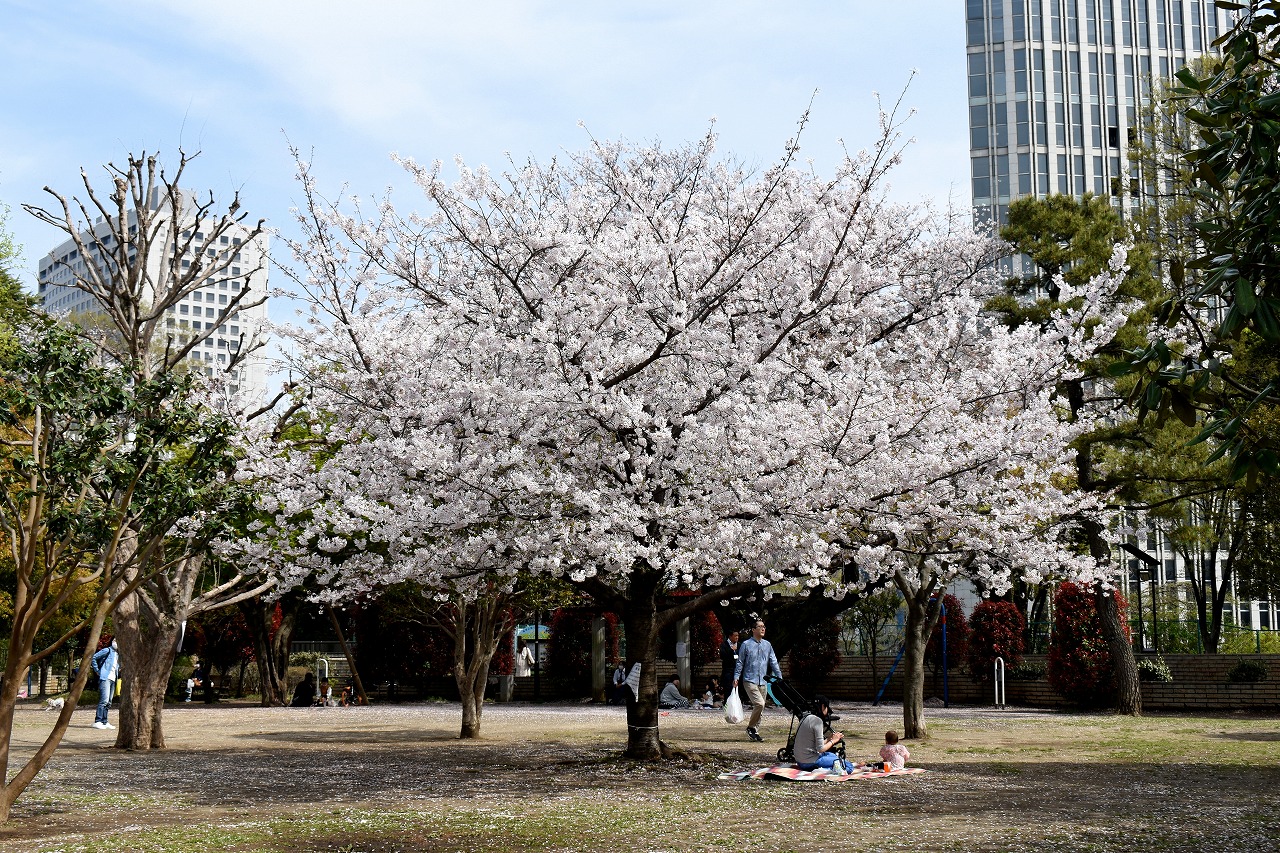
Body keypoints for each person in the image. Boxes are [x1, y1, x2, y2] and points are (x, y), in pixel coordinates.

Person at [733, 619, 781, 742]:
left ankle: (755, 731)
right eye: (760, 626)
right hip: (749, 680)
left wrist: (779, 677)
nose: (763, 628)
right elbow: (740, 662)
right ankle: (750, 727)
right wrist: (736, 677)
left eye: (764, 626)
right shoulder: (746, 644)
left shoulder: (767, 645)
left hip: (763, 681)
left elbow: (773, 661)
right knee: (760, 704)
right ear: (753, 630)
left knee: (761, 708)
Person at [794, 695, 854, 773]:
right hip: (809, 762)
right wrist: (833, 741)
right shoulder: (817, 721)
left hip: (800, 761)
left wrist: (829, 739)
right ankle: (821, 770)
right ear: (823, 706)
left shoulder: (804, 718)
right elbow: (821, 749)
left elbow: (815, 746)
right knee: (849, 766)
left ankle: (826, 767)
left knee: (832, 755)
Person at [91, 639, 120, 730]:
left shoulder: (118, 654)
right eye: (115, 640)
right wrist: (97, 670)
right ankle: (98, 721)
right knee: (104, 700)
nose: (116, 642)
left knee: (109, 702)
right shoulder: (107, 650)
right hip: (105, 677)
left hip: (113, 679)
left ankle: (104, 721)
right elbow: (94, 657)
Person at [719, 629, 740, 706]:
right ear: (730, 636)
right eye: (735, 636)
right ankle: (727, 705)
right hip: (728, 670)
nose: (737, 637)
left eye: (738, 636)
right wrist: (731, 650)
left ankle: (736, 705)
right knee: (728, 688)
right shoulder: (724, 645)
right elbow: (722, 656)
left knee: (737, 688)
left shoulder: (739, 645)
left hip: (737, 670)